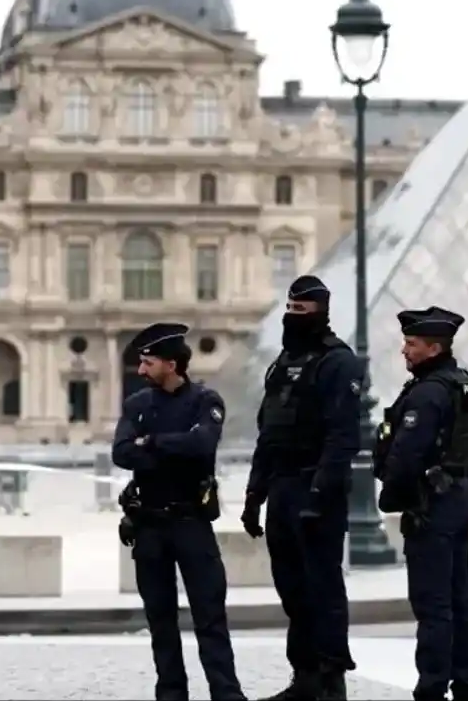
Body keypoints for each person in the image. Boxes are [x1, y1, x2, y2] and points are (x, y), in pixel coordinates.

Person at [241, 275, 362, 701]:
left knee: (322, 588)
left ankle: (331, 681)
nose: (292, 318)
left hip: (317, 489)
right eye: (288, 310)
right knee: (291, 588)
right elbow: (268, 432)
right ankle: (305, 677)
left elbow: (342, 437)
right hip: (282, 487)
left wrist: (319, 495)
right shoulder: (281, 364)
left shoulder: (338, 362)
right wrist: (254, 495)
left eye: (301, 312)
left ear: (320, 313)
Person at [112, 322, 245, 701]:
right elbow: (121, 453)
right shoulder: (137, 404)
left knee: (210, 617)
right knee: (160, 620)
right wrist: (173, 446)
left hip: (191, 523)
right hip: (149, 525)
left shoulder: (206, 401)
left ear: (171, 364)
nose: (140, 370)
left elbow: (203, 444)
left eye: (148, 362)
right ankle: (171, 694)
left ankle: (226, 693)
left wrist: (150, 443)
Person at [373, 306, 468, 701]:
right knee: (460, 601)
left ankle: (432, 687)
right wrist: (458, 487)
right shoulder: (467, 385)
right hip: (457, 500)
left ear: (434, 347)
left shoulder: (427, 393)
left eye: (411, 343)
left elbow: (406, 456)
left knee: (432, 603)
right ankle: (466, 684)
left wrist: (393, 498)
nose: (404, 350)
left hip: (431, 506)